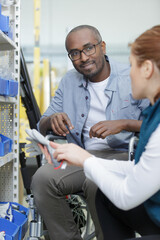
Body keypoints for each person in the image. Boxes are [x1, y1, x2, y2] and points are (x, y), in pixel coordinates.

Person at [31, 25, 149, 240]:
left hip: (122, 155)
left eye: (88, 49)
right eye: (75, 53)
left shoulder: (130, 76)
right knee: (42, 179)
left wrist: (123, 123)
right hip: (79, 156)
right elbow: (42, 124)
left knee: (97, 185)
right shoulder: (69, 81)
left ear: (102, 47)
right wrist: (51, 120)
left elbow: (154, 125)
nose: (83, 57)